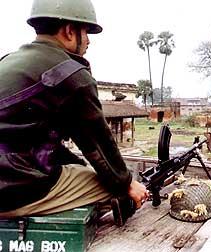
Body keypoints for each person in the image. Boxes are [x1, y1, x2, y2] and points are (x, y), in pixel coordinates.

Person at [0, 0, 148, 226]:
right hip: (11, 190)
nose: (88, 41)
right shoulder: (72, 75)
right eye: (87, 32)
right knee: (111, 184)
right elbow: (98, 143)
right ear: (69, 31)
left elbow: (36, 140)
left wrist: (77, 165)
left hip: (10, 172)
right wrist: (127, 183)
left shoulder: (9, 61)